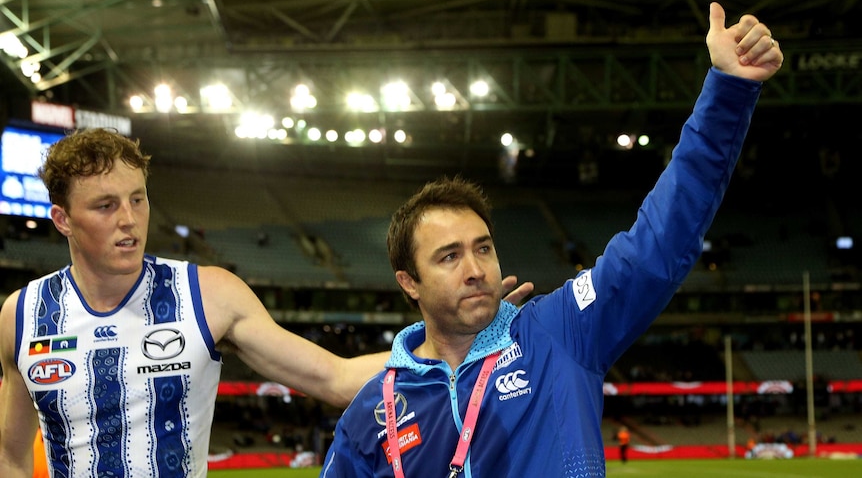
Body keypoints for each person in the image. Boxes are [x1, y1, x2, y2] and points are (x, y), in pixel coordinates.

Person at [319, 2, 784, 478]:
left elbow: (658, 244)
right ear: (409, 282)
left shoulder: (559, 332)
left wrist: (728, 92)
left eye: (483, 247)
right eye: (448, 257)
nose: (476, 269)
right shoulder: (373, 416)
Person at [0, 126, 536, 477]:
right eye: (105, 205)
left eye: (138, 199)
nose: (129, 219)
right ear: (63, 219)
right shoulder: (21, 316)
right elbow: (11, 452)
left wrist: (456, 342)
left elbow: (334, 377)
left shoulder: (206, 295)